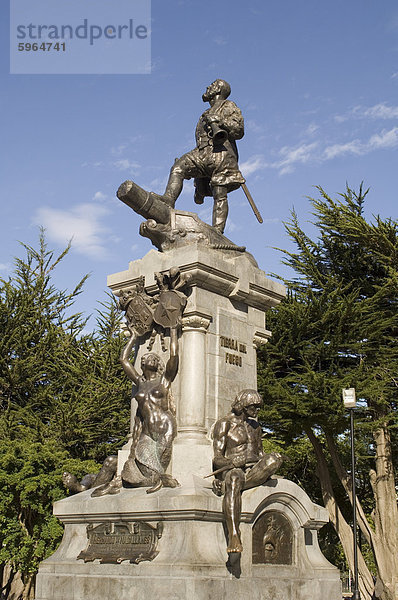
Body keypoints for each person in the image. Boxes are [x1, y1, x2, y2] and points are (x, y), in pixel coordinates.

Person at [92, 325, 179, 496]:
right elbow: (123, 360)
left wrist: (174, 331)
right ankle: (154, 480)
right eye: (146, 357)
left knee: (155, 464)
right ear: (142, 363)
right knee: (132, 467)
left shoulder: (164, 381)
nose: (149, 358)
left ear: (158, 364)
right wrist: (133, 337)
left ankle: (161, 479)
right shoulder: (139, 382)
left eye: (153, 358)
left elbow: (174, 356)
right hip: (146, 429)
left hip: (164, 426)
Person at [162, 79, 245, 234]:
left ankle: (217, 232)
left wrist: (220, 121)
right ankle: (168, 199)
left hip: (222, 155)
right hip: (203, 152)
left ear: (219, 89)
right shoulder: (205, 113)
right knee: (178, 167)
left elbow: (239, 130)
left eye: (212, 85)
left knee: (219, 192)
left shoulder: (228, 105)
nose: (208, 87)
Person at [212, 389, 283, 553]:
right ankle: (234, 535)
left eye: (259, 407)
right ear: (244, 406)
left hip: (253, 469)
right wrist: (231, 461)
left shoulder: (255, 427)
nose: (257, 411)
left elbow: (260, 454)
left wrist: (270, 459)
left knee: (274, 460)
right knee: (235, 478)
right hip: (234, 470)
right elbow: (217, 458)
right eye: (254, 407)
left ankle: (228, 486)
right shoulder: (225, 424)